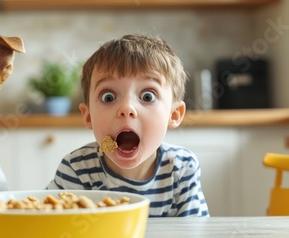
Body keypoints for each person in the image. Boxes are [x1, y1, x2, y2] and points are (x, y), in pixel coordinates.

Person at [47, 34, 209, 217]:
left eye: (148, 96)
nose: (126, 108)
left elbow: (194, 235)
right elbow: (53, 226)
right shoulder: (77, 169)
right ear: (88, 116)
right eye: (108, 97)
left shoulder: (181, 168)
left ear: (174, 114)